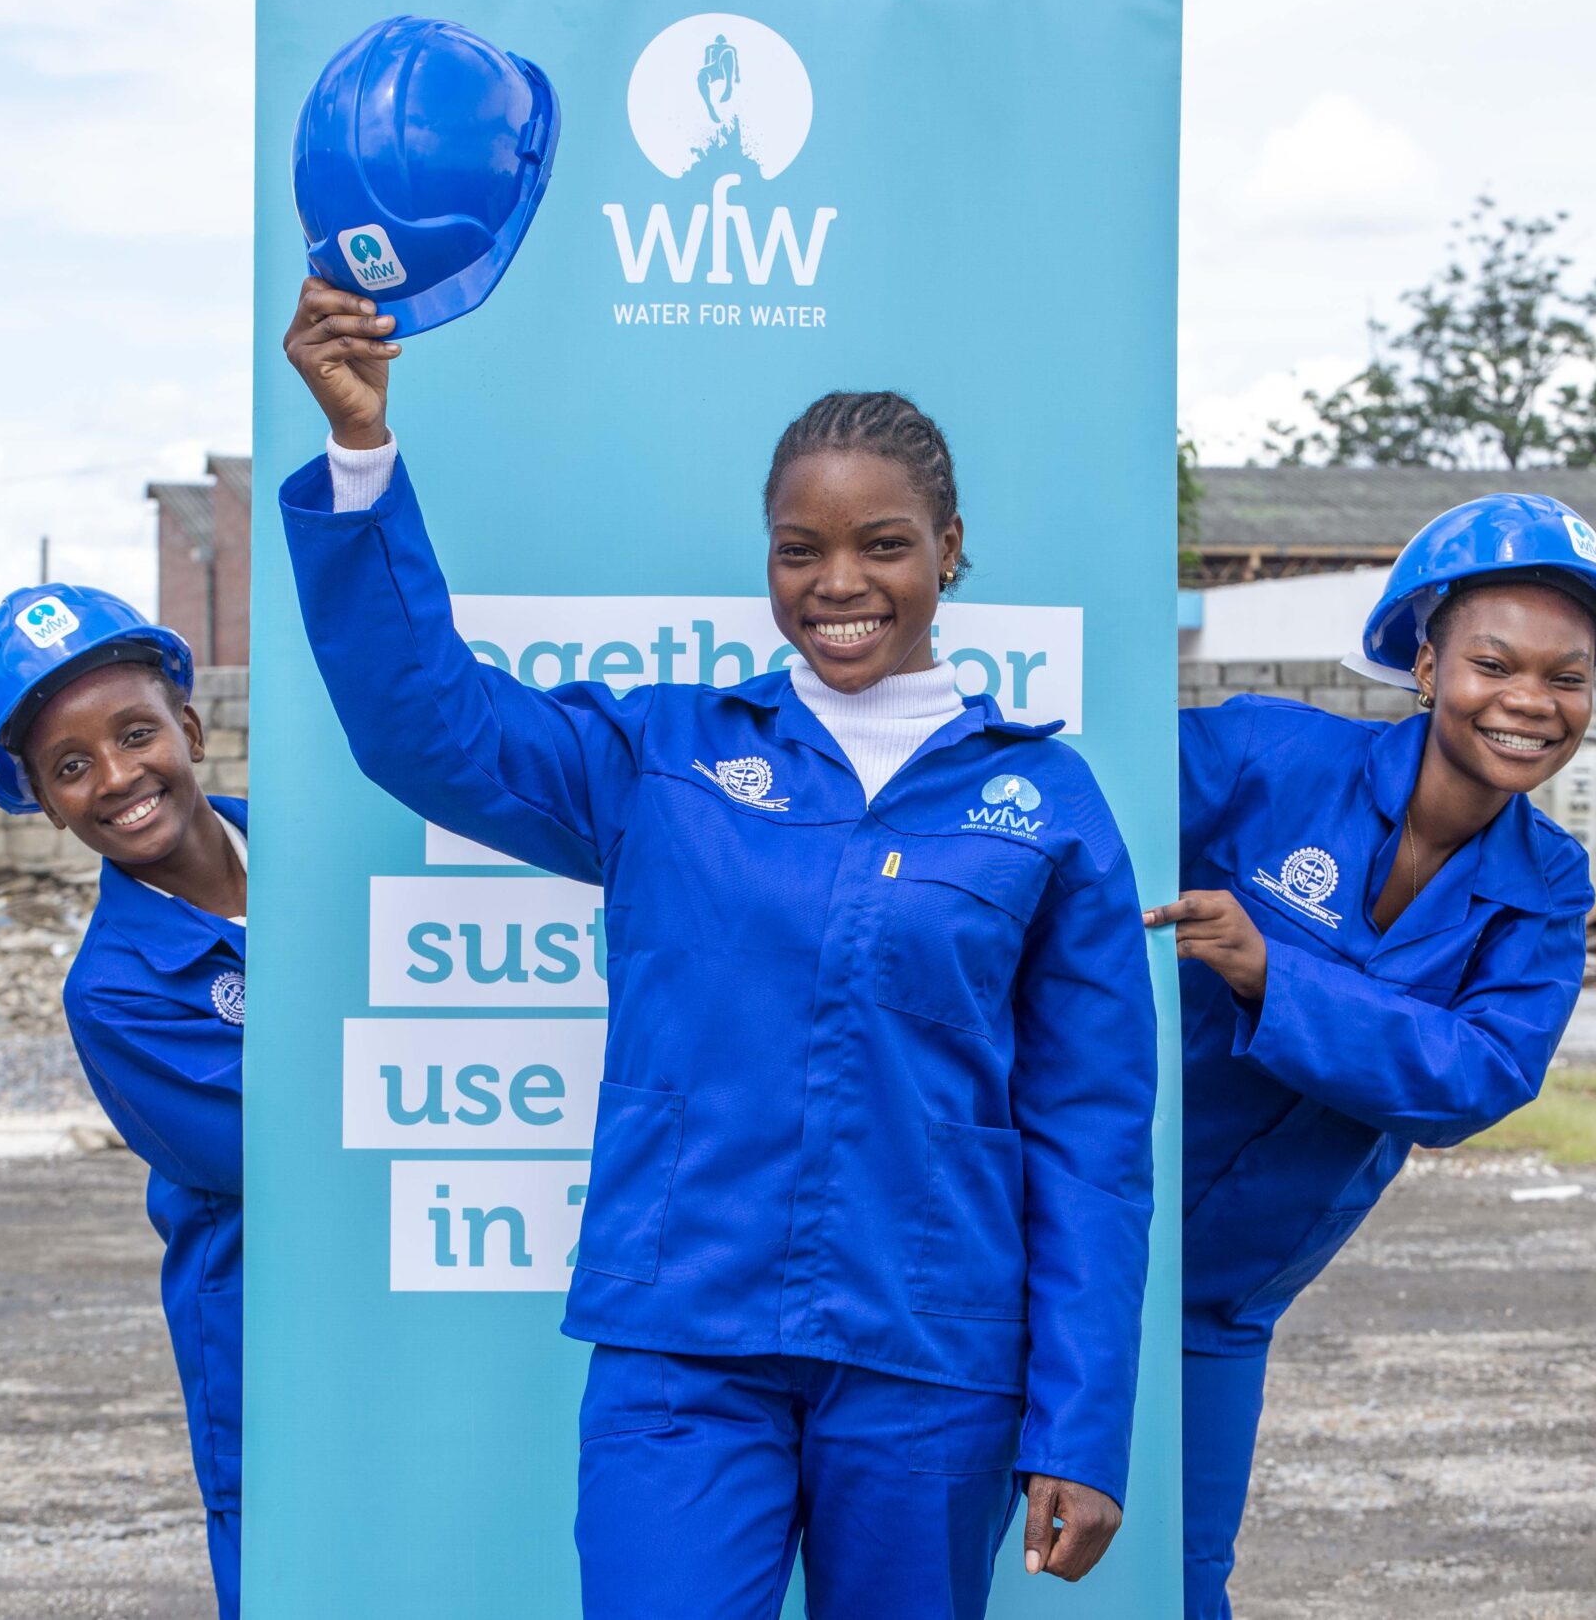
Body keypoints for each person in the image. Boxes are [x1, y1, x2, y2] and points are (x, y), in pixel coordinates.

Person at [276, 278, 1157, 1618]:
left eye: (884, 544)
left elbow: (1093, 1138)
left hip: (931, 1359)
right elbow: (425, 729)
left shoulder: (1045, 806)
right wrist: (360, 453)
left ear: (950, 548)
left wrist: (1081, 1428)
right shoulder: (663, 756)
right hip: (683, 1350)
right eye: (800, 549)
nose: (840, 584)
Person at [1146, 495, 1596, 1620]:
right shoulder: (1265, 756)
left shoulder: (1547, 880)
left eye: (1566, 677)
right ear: (1423, 662)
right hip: (1062, 1248)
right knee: (966, 1550)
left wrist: (1270, 970)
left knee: (1181, 1582)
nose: (1530, 701)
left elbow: (1476, 1074)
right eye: (1493, 662)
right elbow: (1078, 811)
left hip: (1220, 1301)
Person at [0, 588, 249, 1618]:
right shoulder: (121, 988)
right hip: (265, 1326)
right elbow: (288, 1149)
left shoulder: (330, 859)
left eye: (136, 732)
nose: (118, 777)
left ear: (193, 728)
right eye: (71, 765)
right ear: (43, 800)